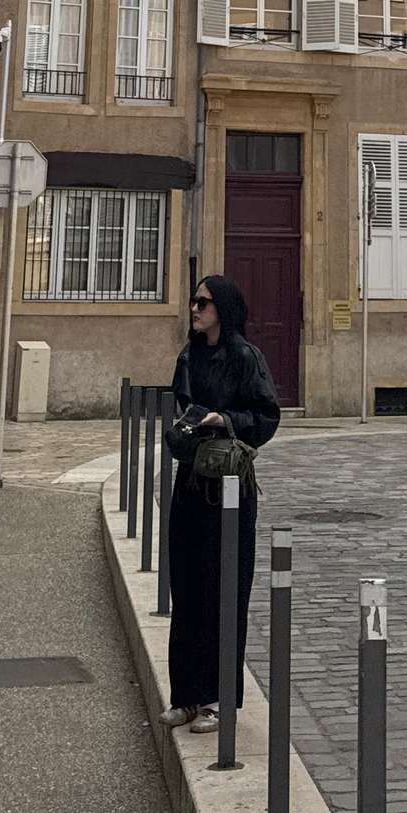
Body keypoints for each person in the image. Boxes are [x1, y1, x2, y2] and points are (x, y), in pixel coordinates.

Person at [163, 273, 280, 733]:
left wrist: (224, 418)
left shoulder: (246, 357)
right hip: (191, 481)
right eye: (194, 302)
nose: (195, 310)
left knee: (224, 589)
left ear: (223, 310)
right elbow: (181, 405)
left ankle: (218, 699)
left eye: (204, 303)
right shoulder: (189, 355)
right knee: (186, 587)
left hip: (230, 489)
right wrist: (190, 423)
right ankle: (186, 696)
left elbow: (266, 417)